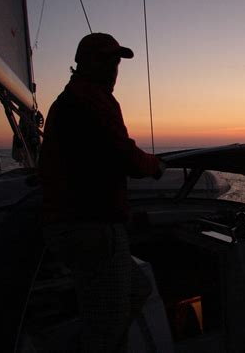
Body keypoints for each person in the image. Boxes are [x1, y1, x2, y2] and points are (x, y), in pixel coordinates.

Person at [39, 33, 165, 353]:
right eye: (107, 60)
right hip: (91, 228)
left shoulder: (69, 101)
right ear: (85, 63)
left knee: (135, 291)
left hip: (77, 226)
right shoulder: (90, 100)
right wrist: (155, 166)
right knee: (105, 331)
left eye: (116, 62)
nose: (114, 69)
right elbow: (122, 154)